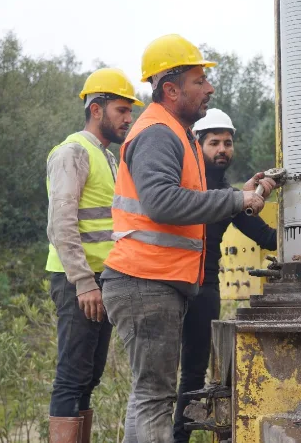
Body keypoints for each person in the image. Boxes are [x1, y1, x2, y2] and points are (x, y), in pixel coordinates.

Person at [100, 34, 276, 443]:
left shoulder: (177, 133)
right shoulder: (159, 133)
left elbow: (192, 201)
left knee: (149, 397)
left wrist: (240, 196)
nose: (209, 88)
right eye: (200, 81)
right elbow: (162, 201)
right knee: (155, 398)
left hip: (150, 282)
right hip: (145, 282)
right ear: (171, 89)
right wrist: (236, 198)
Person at [45, 68, 143, 443]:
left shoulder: (107, 157)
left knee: (89, 377)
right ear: (96, 109)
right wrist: (84, 283)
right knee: (71, 377)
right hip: (78, 283)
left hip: (103, 281)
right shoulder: (72, 152)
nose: (128, 118)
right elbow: (62, 224)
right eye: (121, 110)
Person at [173, 109, 277, 442]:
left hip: (204, 290)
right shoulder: (183, 184)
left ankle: (179, 439)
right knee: (158, 378)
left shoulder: (228, 194)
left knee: (193, 374)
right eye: (214, 142)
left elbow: (264, 236)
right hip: (170, 286)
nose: (222, 149)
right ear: (197, 145)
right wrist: (242, 198)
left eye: (228, 143)